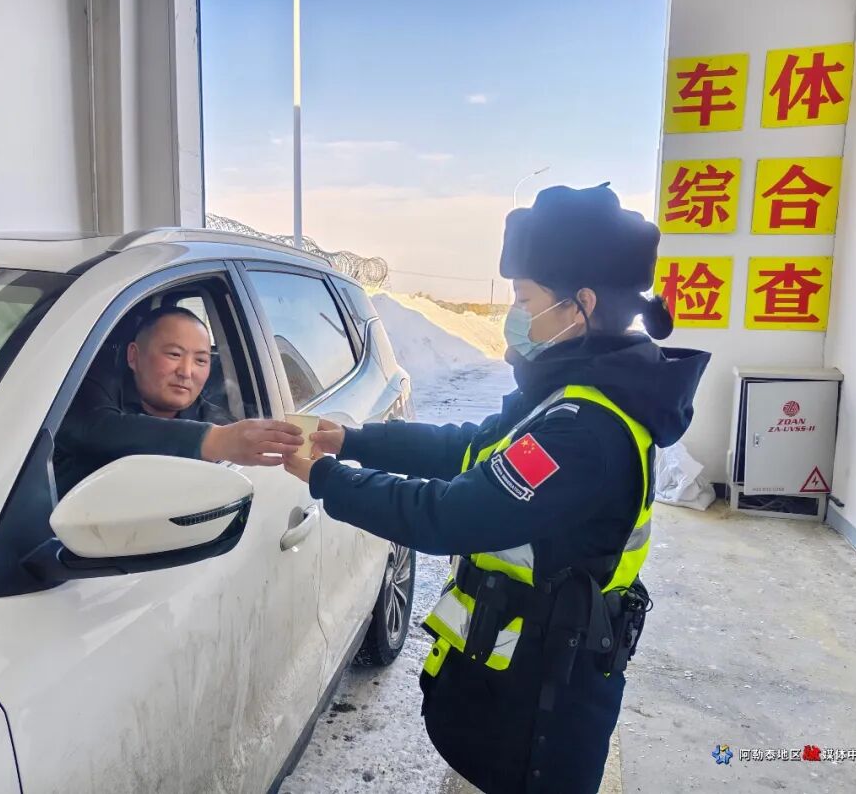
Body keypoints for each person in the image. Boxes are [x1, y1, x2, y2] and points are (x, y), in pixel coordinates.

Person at [282, 185, 710, 793]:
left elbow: (446, 517)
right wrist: (352, 441)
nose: (515, 313)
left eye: (525, 298)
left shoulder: (583, 431)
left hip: (543, 714)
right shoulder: (568, 395)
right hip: (526, 683)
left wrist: (326, 479)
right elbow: (470, 447)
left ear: (581, 305)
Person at [55, 306, 303, 493]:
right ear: (133, 356)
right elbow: (93, 429)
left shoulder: (218, 422)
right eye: (174, 354)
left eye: (201, 360)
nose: (186, 372)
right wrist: (211, 440)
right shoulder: (92, 388)